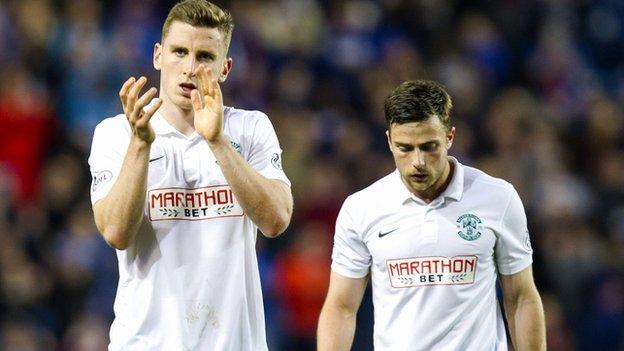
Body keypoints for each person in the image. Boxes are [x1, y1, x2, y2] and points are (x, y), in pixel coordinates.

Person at [87, 1, 293, 350]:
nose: (189, 67)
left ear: (224, 68)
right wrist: (140, 144)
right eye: (179, 52)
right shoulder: (116, 134)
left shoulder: (250, 128)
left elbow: (276, 220)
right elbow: (116, 233)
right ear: (157, 55)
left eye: (204, 57)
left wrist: (218, 141)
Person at [317, 80, 546, 350]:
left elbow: (521, 298)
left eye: (429, 147)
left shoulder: (498, 198)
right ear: (389, 141)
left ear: (450, 137)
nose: (418, 162)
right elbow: (341, 307)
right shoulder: (362, 208)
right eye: (405, 147)